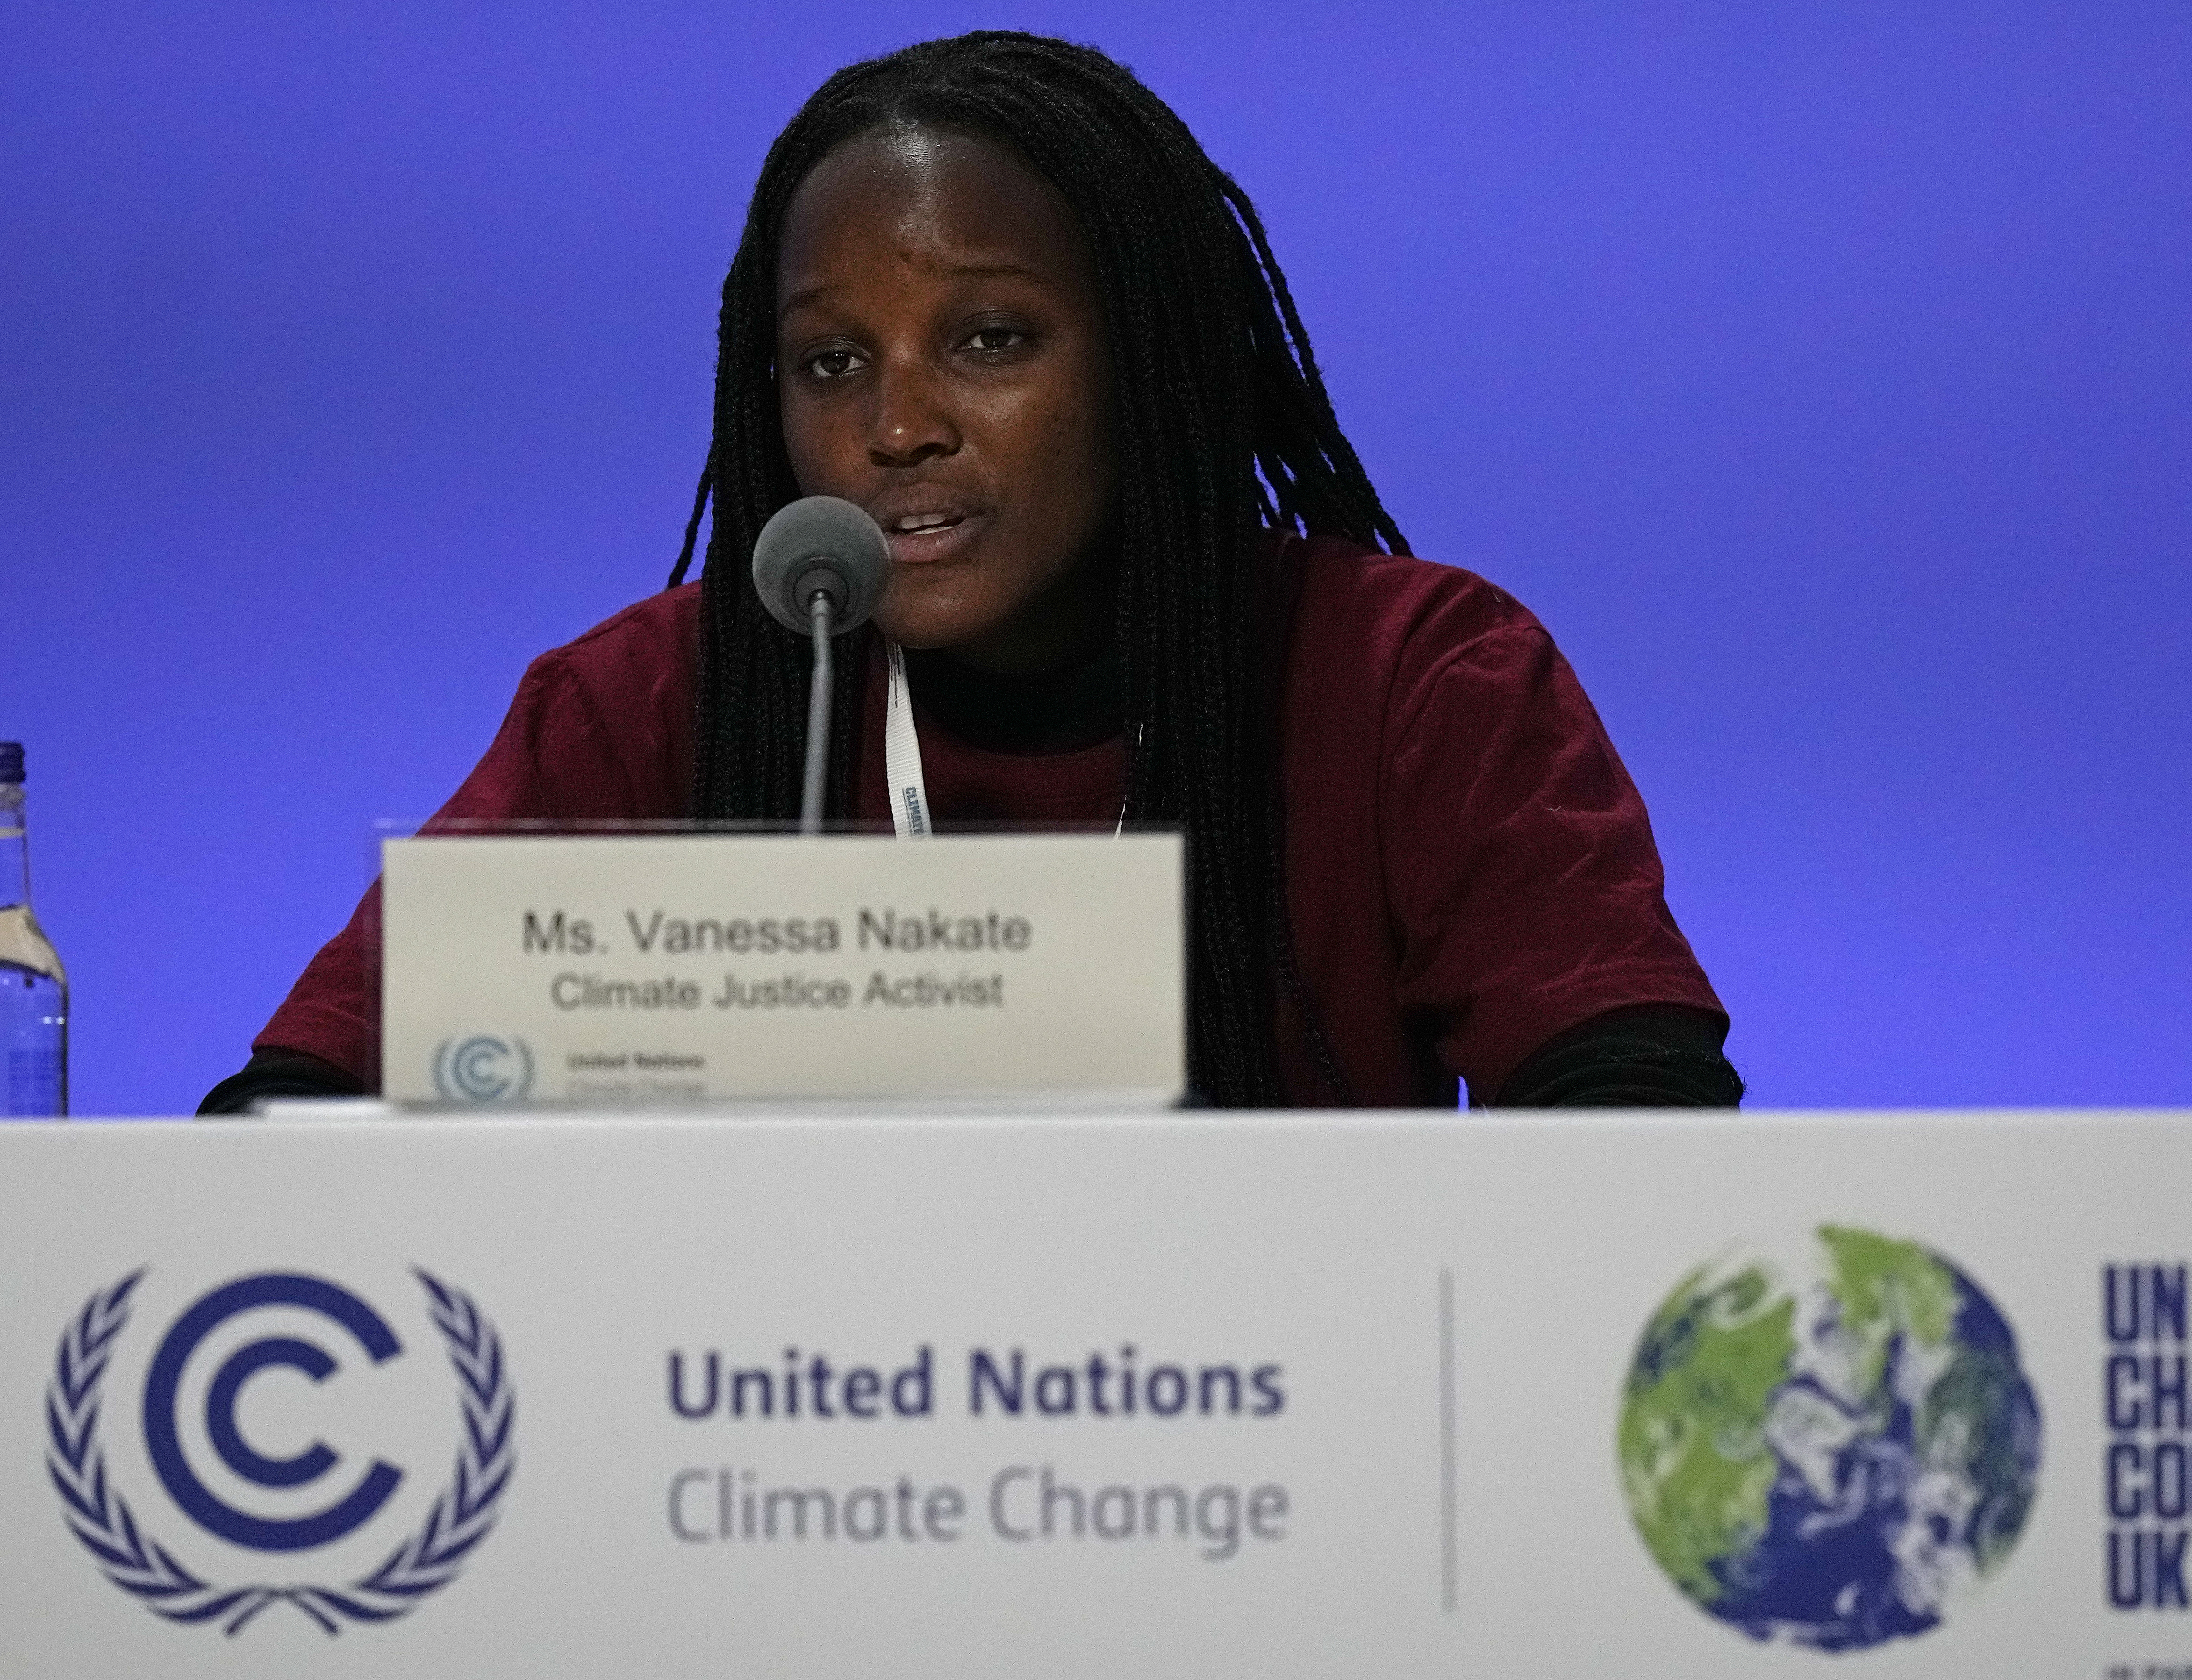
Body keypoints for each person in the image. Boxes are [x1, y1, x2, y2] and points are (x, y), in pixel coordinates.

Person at [201, 31, 1742, 1114]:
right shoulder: (660, 700)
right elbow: (293, 1127)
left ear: (1152, 361)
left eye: (990, 340)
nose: (896, 426)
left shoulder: (1414, 677)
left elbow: (1634, 1127)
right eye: (830, 361)